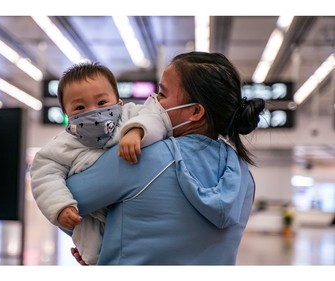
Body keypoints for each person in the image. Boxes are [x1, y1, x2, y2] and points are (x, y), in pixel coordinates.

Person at [66, 51, 266, 265]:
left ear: (195, 112)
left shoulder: (142, 157)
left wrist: (94, 243)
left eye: (162, 94)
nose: (153, 102)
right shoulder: (243, 175)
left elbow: (62, 199)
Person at [30, 62, 169, 265]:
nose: (92, 111)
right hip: (94, 227)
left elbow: (156, 117)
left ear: (119, 102)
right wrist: (60, 207)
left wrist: (137, 130)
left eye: (102, 102)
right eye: (79, 107)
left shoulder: (131, 116)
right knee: (95, 255)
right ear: (67, 115)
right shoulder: (63, 144)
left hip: (140, 219)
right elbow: (44, 174)